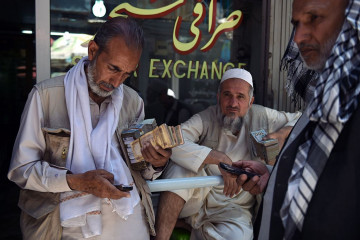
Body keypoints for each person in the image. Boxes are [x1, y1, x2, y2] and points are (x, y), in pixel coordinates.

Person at [7, 17, 171, 240]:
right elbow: (21, 170)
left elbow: (140, 169)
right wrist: (76, 182)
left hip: (128, 219)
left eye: (126, 74)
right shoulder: (46, 96)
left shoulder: (132, 102)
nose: (116, 82)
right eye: (113, 68)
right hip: (65, 225)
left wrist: (155, 163)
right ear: (93, 51)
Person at [155, 68, 302, 240]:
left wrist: (280, 134)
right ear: (218, 98)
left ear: (250, 101)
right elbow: (172, 141)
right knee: (180, 170)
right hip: (199, 200)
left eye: (240, 97)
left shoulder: (263, 117)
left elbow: (303, 119)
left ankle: (190, 227)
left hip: (234, 207)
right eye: (227, 95)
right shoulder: (206, 117)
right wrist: (220, 159)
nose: (233, 103)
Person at [255, 0, 360, 239]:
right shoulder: (326, 100)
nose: (299, 38)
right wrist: (277, 176)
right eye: (296, 24)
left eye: (314, 18)